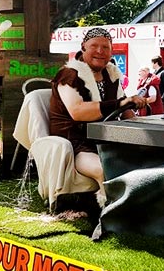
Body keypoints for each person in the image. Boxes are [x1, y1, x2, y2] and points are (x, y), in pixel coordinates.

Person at [49, 27, 146, 204]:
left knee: (144, 159)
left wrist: (144, 126)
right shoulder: (69, 74)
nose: (100, 51)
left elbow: (125, 111)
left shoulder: (111, 75)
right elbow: (78, 111)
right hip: (75, 145)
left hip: (105, 140)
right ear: (83, 47)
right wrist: (120, 104)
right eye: (94, 45)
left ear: (111, 51)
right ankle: (110, 216)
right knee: (105, 169)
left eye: (106, 47)